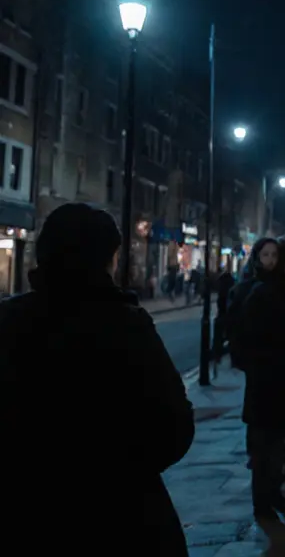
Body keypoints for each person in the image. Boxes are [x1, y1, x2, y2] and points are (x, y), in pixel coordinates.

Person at [0, 203, 195, 554]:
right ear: (107, 260)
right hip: (121, 518)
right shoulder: (126, 325)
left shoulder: (8, 321)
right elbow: (174, 426)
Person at [238, 238, 285, 521]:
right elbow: (247, 338)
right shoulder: (256, 291)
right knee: (263, 446)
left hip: (284, 377)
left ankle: (273, 493)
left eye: (274, 255)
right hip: (264, 379)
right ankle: (262, 502)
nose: (270, 260)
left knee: (278, 443)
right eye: (265, 255)